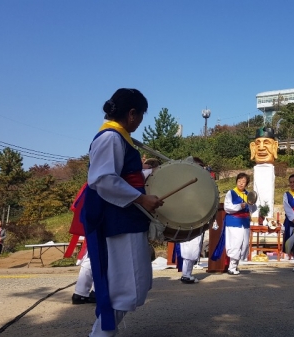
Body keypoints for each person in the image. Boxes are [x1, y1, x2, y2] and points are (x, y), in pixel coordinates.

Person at [81, 88, 164, 336]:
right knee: (126, 288)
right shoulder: (111, 138)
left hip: (126, 218)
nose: (139, 122)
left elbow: (123, 176)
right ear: (131, 114)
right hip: (119, 221)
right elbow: (104, 179)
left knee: (131, 285)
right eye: (140, 116)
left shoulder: (119, 137)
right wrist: (140, 198)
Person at [176, 157, 208, 284]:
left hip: (197, 217)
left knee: (193, 246)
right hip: (187, 217)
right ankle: (186, 274)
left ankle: (187, 273)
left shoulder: (201, 183)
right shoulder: (184, 182)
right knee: (189, 246)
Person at [220, 173, 257, 275]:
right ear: (236, 181)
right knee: (235, 244)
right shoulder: (230, 193)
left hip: (245, 222)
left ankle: (235, 266)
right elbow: (227, 207)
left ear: (246, 184)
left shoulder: (248, 194)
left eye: (243, 182)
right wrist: (240, 206)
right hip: (233, 222)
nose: (241, 184)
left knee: (244, 245)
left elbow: (253, 209)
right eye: (239, 181)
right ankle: (231, 267)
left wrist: (251, 204)